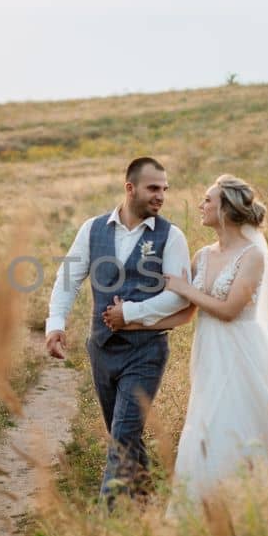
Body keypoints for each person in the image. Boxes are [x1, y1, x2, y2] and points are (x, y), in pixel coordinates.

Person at [113, 174, 268, 508]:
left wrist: (185, 287)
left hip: (246, 352)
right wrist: (132, 321)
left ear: (227, 209)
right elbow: (188, 313)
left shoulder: (252, 256)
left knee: (253, 417)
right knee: (210, 420)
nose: (201, 205)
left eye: (208, 199)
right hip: (210, 354)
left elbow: (230, 309)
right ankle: (216, 499)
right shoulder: (202, 255)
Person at [43, 157, 192, 504]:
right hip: (102, 349)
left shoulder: (172, 236)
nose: (161, 196)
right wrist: (55, 324)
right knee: (123, 431)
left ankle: (106, 518)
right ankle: (147, 502)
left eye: (164, 190)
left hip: (146, 351)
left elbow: (179, 296)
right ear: (130, 188)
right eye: (153, 188)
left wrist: (133, 313)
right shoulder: (92, 229)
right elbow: (68, 279)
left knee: (123, 434)